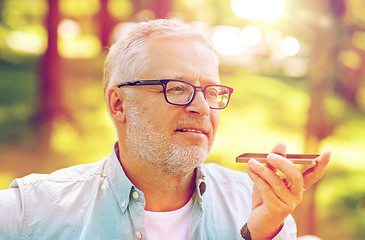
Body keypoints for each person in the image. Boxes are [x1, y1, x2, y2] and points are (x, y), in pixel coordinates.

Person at [0, 19, 331, 240]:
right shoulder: (30, 214)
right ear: (118, 104)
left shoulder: (260, 208)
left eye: (212, 92)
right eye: (177, 88)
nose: (202, 107)